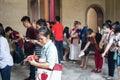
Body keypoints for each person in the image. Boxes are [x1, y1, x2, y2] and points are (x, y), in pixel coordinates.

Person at [21, 16, 37, 80]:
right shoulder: (28, 29)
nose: (23, 24)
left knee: (32, 64)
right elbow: (29, 38)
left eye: (23, 23)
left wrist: (24, 38)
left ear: (26, 22)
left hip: (31, 49)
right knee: (31, 64)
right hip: (28, 48)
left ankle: (32, 78)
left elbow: (35, 40)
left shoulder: (32, 29)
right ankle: (31, 76)